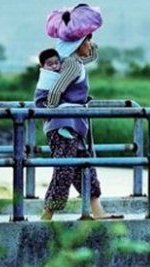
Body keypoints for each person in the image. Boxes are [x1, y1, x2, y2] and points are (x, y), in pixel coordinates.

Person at [37, 33, 122, 221]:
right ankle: (47, 215)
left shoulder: (75, 62)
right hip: (63, 125)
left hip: (75, 123)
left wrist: (89, 38)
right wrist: (51, 111)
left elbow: (91, 55)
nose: (90, 44)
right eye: (87, 40)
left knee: (84, 166)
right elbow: (57, 89)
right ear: (78, 43)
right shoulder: (71, 64)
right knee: (65, 169)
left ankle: (98, 212)